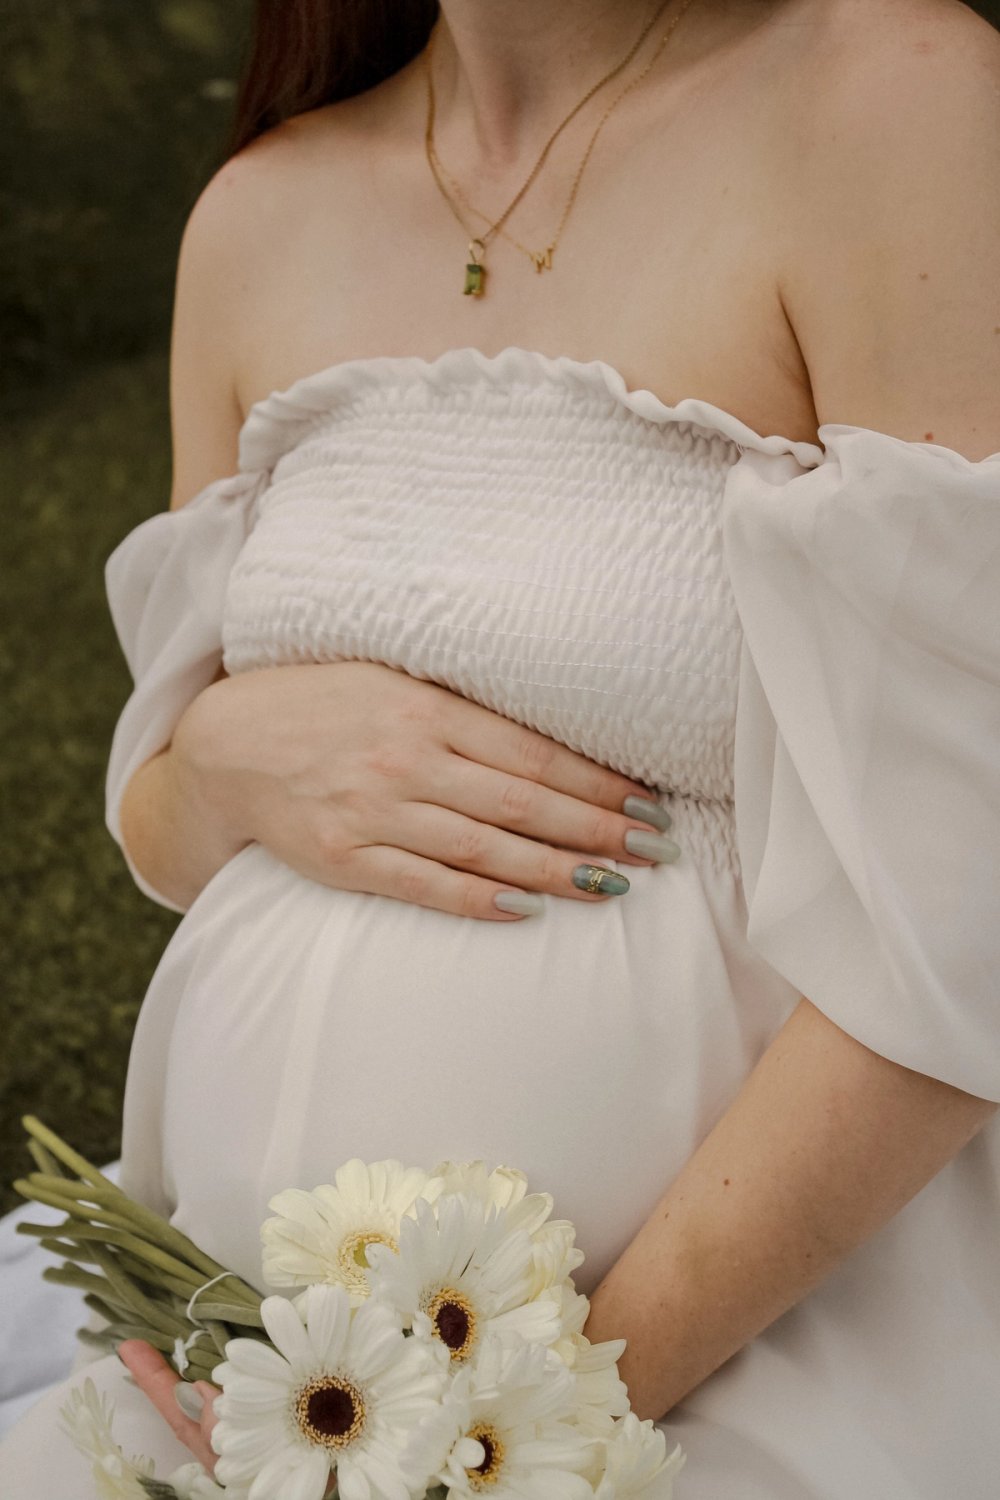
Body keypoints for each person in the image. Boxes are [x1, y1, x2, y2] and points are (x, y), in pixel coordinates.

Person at [2, 0, 999, 1494]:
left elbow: (969, 885)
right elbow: (164, 821)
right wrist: (219, 767)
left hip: (721, 1375)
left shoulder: (883, 94)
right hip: (237, 1375)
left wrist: (518, 1428)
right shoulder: (260, 215)